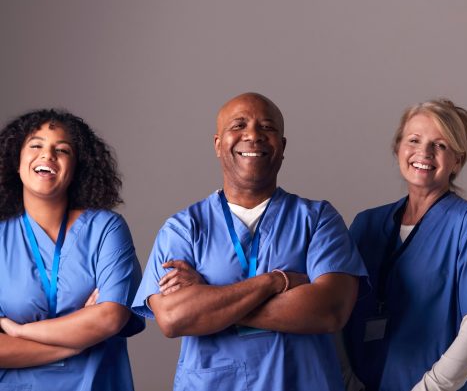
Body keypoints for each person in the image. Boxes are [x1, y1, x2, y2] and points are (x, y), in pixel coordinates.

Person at [132, 92, 367, 391]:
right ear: (218, 145)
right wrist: (274, 282)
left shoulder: (318, 219)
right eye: (239, 125)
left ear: (282, 147)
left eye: (267, 127)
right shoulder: (183, 228)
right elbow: (174, 318)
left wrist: (208, 300)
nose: (253, 135)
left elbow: (330, 310)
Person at [342, 99, 467, 391]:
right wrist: (349, 381)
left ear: (457, 160)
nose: (424, 153)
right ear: (398, 147)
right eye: (414, 140)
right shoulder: (365, 226)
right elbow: (337, 311)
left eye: (440, 145)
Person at [0, 109, 145, 391]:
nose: (48, 155)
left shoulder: (106, 228)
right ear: (15, 163)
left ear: (77, 166)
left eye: (62, 150)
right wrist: (75, 344)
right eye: (36, 145)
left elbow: (110, 317)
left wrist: (20, 331)